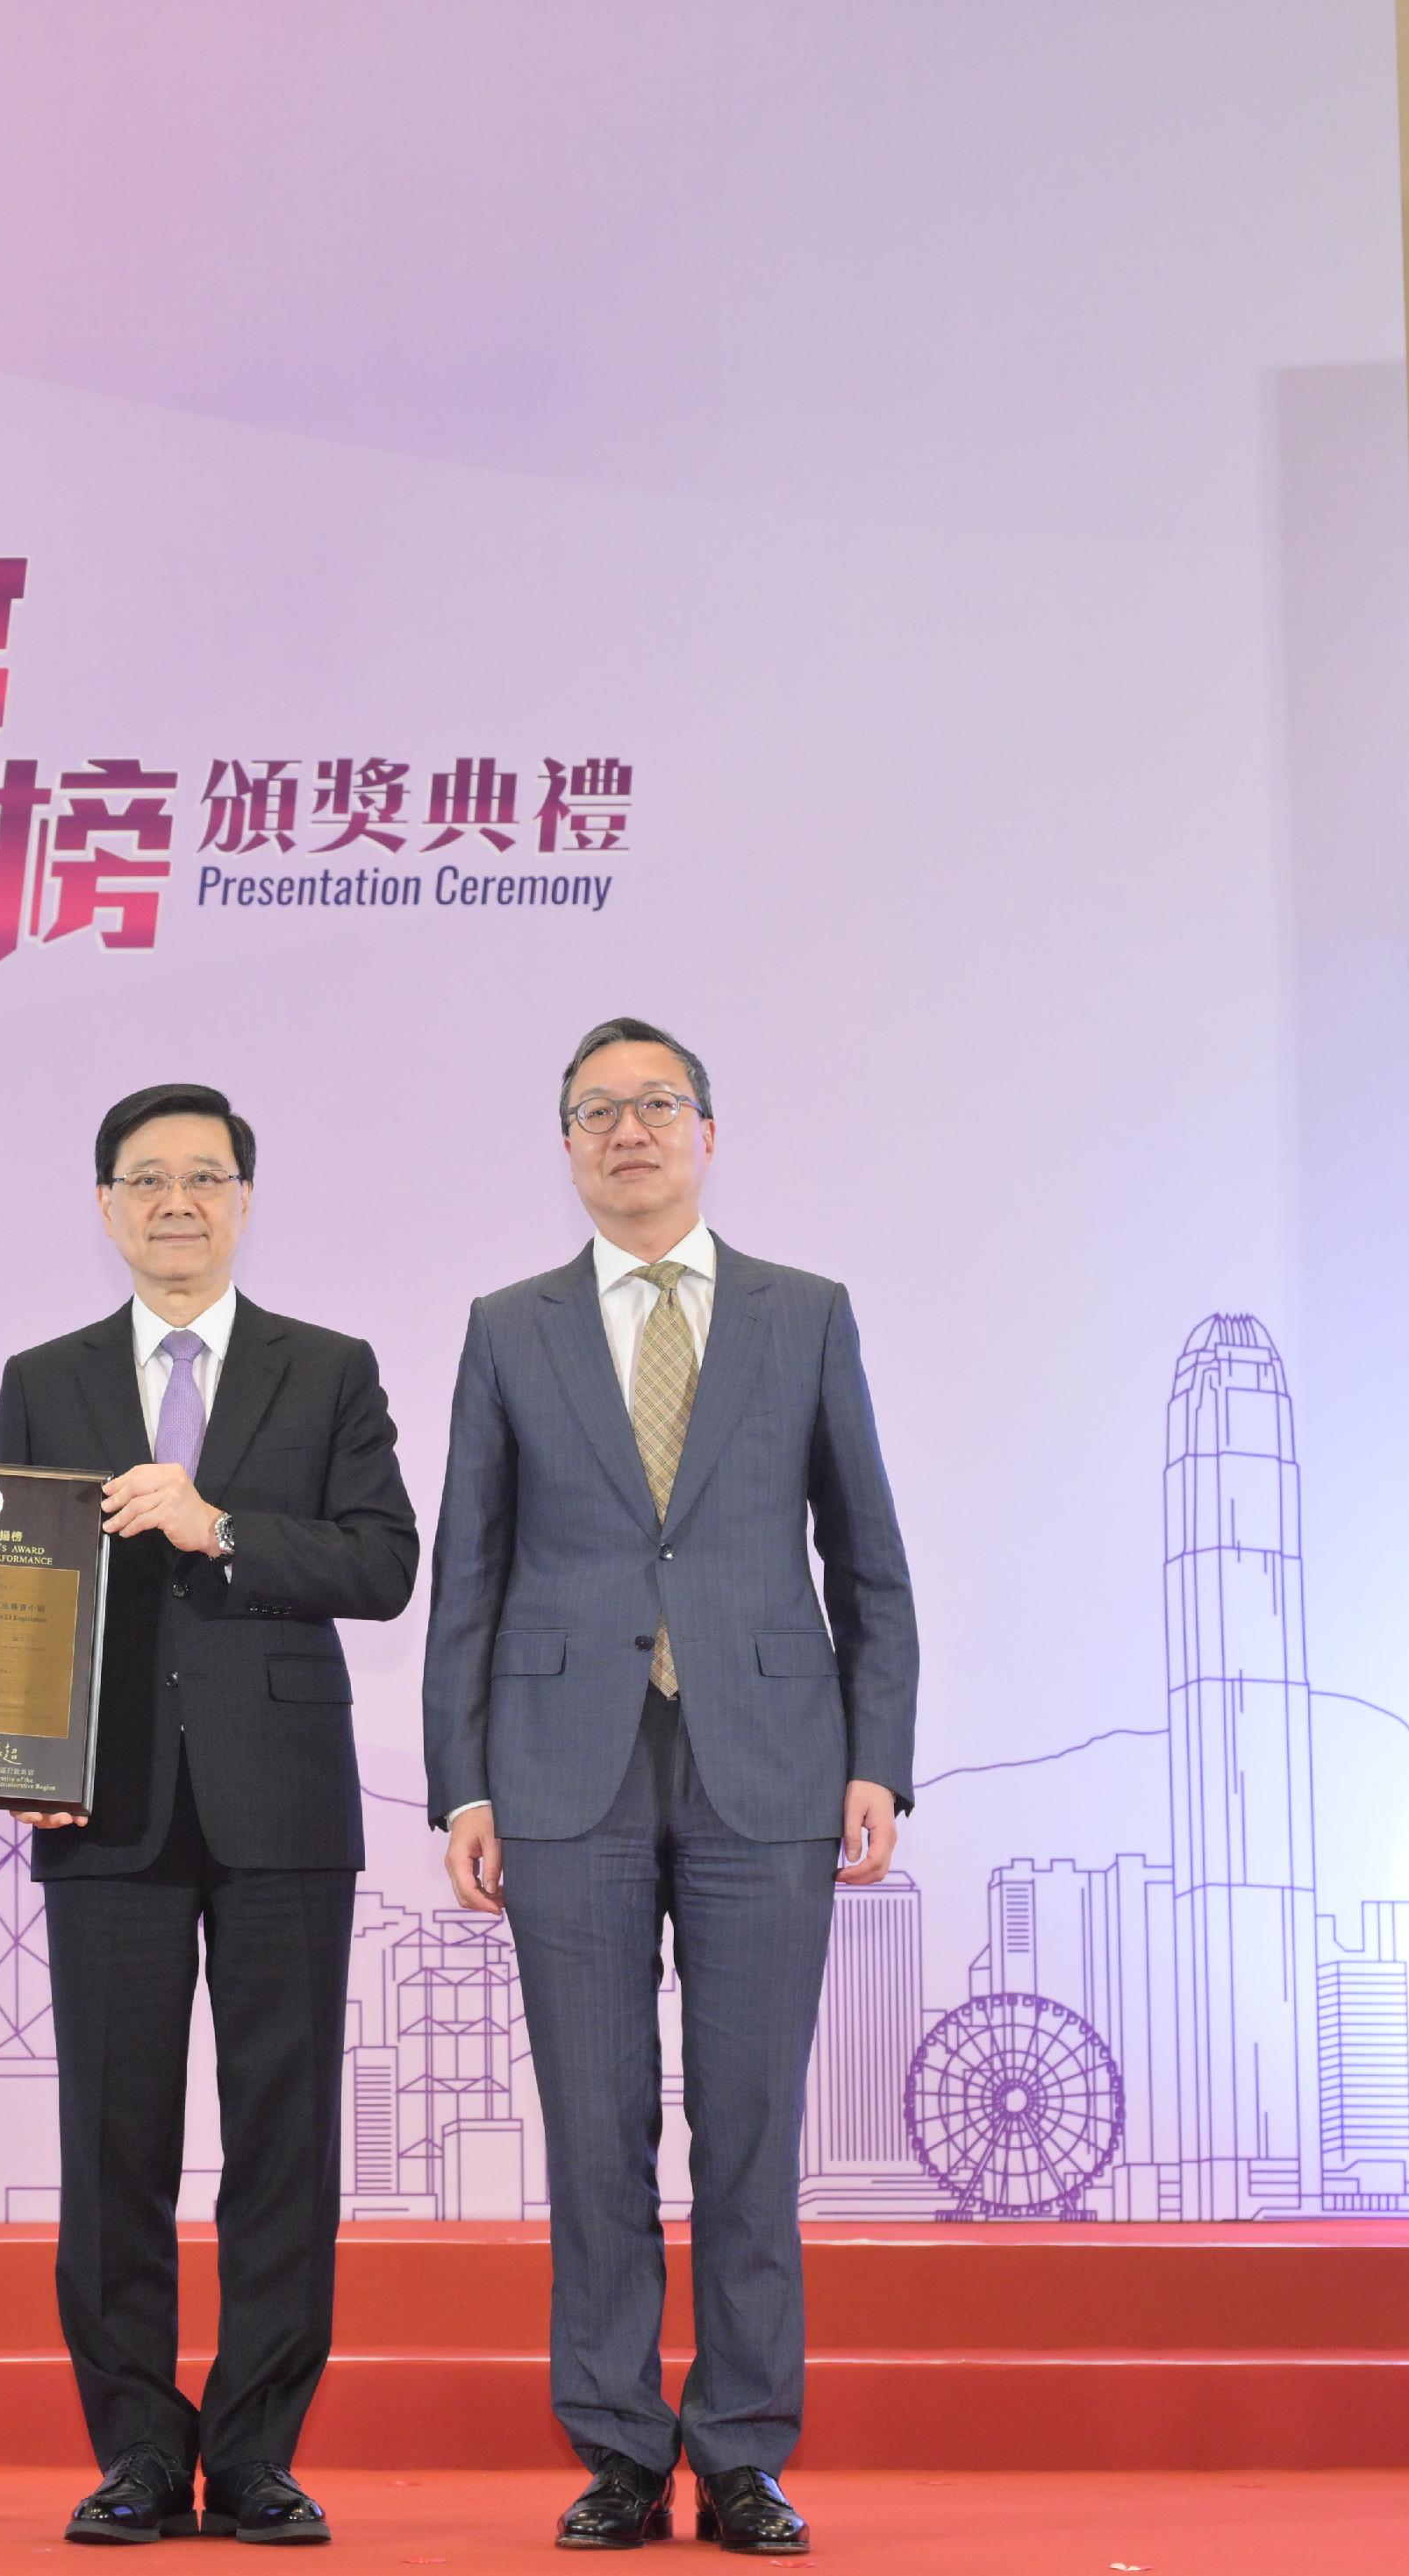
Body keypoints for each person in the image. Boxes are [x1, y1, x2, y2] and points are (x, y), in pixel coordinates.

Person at [421, 1017, 917, 2557]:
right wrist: (461, 1786)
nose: (628, 1133)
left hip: (768, 1760)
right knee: (596, 2120)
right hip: (564, 1763)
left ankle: (751, 2449)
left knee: (754, 2121)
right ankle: (624, 2450)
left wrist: (875, 1756)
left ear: (708, 1131)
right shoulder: (510, 1326)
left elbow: (870, 1560)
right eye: (596, 1113)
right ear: (566, 1147)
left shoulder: (802, 1311)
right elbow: (470, 1575)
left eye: (656, 1106)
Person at [0, 1081, 419, 2549]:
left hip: (284, 1803)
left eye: (207, 1177)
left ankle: (254, 2452)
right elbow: (9, 1597)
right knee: (112, 2142)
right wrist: (12, 1757)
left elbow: (382, 1561)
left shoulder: (329, 1365)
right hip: (97, 1806)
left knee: (284, 2141)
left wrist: (218, 1523)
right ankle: (132, 2451)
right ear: (106, 1204)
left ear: (245, 1199)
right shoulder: (43, 1375)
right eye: (148, 1179)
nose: (179, 1202)